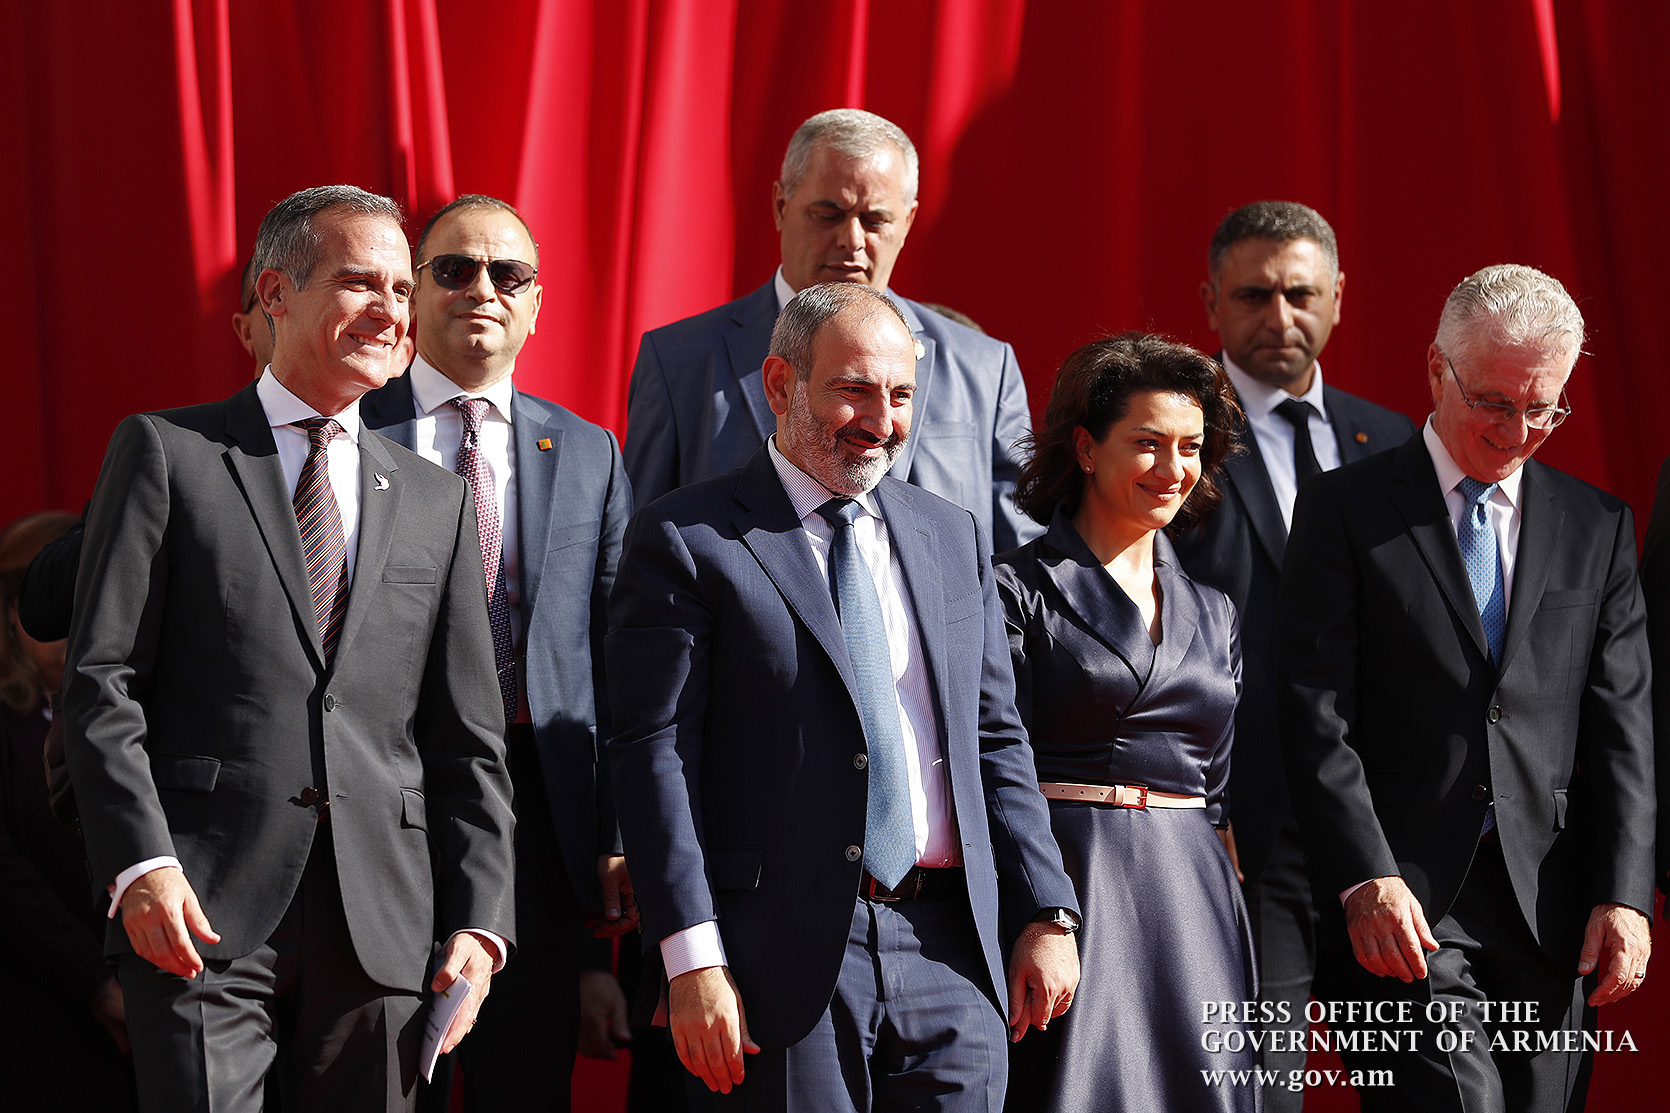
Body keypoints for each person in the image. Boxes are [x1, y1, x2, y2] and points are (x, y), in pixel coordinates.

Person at [62, 184, 517, 1112]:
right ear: (275, 292)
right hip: (199, 914)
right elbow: (102, 683)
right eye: (361, 283)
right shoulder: (168, 453)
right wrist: (141, 864)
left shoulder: (435, 500)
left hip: (386, 932)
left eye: (402, 288)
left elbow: (468, 739)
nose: (391, 310)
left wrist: (482, 920)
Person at [608, 281, 1080, 1109]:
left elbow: (995, 735)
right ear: (780, 384)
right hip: (776, 960)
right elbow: (656, 760)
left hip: (952, 954)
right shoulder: (688, 537)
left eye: (900, 394)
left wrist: (1047, 907)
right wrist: (692, 959)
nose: (882, 419)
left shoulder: (952, 533)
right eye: (854, 389)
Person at [1278, 264, 1654, 1111]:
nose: (1518, 430)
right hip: (1401, 903)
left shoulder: (1598, 526)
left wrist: (1623, 893)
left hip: (1550, 908)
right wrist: (1364, 876)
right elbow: (1313, 711)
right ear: (1435, 369)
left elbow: (1622, 728)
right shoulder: (1344, 509)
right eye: (1493, 401)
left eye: (1543, 408)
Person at [362, 193, 635, 1110]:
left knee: (524, 1077)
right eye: (455, 268)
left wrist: (614, 832)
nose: (483, 288)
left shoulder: (588, 451)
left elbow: (617, 658)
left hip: (539, 809)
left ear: (536, 303)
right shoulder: (353, 421)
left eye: (507, 273)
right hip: (387, 784)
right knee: (388, 1072)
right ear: (414, 288)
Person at [1172, 200, 1414, 1106]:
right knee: (1262, 1090)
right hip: (1245, 831)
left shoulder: (1395, 442)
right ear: (1211, 302)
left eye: (1301, 294)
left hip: (1384, 832)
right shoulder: (1174, 441)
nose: (1279, 317)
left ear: (1338, 297)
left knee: (1421, 1082)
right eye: (1253, 295)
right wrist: (1203, 797)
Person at [996, 333, 1259, 1113]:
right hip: (1075, 884)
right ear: (1085, 447)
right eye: (1147, 442)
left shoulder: (1215, 610)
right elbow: (993, 762)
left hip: (1196, 896)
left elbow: (1216, 788)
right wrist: (1039, 910)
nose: (1173, 468)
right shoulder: (1014, 589)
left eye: (1191, 447)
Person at [625, 107, 1040, 553]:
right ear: (781, 206)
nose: (852, 240)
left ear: (907, 222)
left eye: (875, 220)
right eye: (829, 214)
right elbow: (641, 548)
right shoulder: (680, 361)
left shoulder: (985, 368)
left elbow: (1016, 559)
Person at [1, 511, 136, 1112]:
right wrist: (94, 983)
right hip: (39, 1014)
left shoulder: (127, 708)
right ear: (14, 613)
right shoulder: (10, 725)